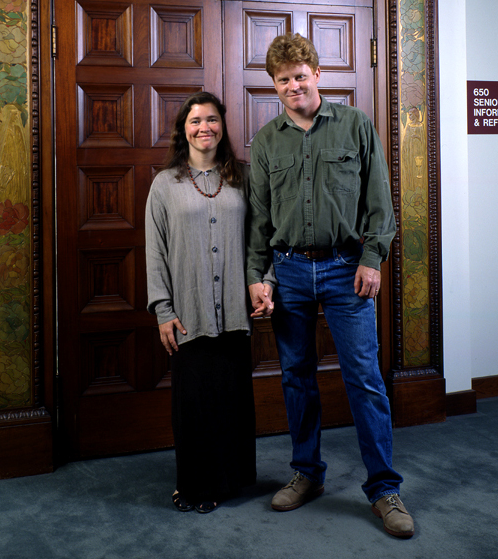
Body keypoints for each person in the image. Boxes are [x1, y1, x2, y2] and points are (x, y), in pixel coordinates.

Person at [246, 33, 414, 538]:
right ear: (273, 86)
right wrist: (258, 276)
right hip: (290, 271)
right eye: (283, 80)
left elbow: (380, 201)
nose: (293, 85)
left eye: (300, 75)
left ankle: (384, 489)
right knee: (297, 377)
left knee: (364, 377)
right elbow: (259, 219)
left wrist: (373, 258)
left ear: (317, 74)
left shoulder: (356, 125)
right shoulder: (267, 141)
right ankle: (307, 474)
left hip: (347, 269)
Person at [146, 91, 270, 514]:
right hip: (189, 312)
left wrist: (265, 282)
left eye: (212, 119)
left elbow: (263, 237)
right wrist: (163, 309)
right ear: (184, 129)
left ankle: (225, 482)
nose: (205, 128)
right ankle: (191, 485)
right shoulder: (165, 185)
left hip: (236, 310)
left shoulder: (244, 178)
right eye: (196, 120)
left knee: (230, 401)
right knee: (193, 404)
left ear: (223, 126)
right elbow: (155, 251)